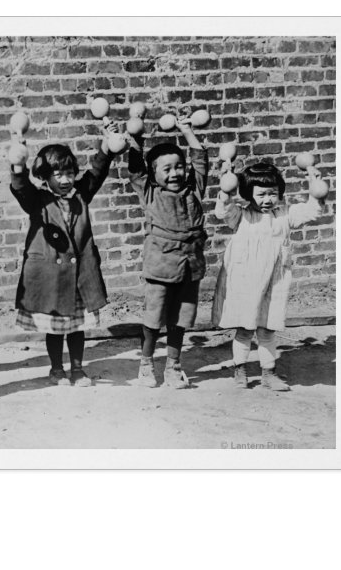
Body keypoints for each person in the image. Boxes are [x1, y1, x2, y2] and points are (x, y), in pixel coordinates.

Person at [9, 133, 118, 387]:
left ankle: (78, 369)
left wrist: (107, 145)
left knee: (77, 326)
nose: (66, 180)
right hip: (52, 276)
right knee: (55, 327)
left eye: (69, 173)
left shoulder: (81, 194)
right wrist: (18, 164)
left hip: (79, 274)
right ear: (45, 177)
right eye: (58, 175)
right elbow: (21, 186)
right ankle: (57, 369)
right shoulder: (37, 200)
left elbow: (97, 172)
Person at [212, 160, 326, 390]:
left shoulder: (286, 215)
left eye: (272, 194)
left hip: (274, 282)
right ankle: (240, 369)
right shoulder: (241, 216)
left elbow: (312, 212)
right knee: (244, 329)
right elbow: (222, 211)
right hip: (245, 282)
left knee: (267, 328)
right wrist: (226, 189)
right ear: (248, 194)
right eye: (261, 194)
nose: (267, 200)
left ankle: (268, 373)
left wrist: (315, 183)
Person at [127, 117, 209, 388]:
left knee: (180, 319)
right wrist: (136, 138)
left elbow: (200, 158)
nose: (174, 173)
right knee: (153, 320)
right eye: (167, 169)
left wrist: (187, 131)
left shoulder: (194, 190)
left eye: (179, 167)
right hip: (161, 267)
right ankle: (146, 364)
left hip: (190, 266)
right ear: (153, 174)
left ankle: (173, 366)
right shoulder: (149, 192)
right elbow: (136, 168)